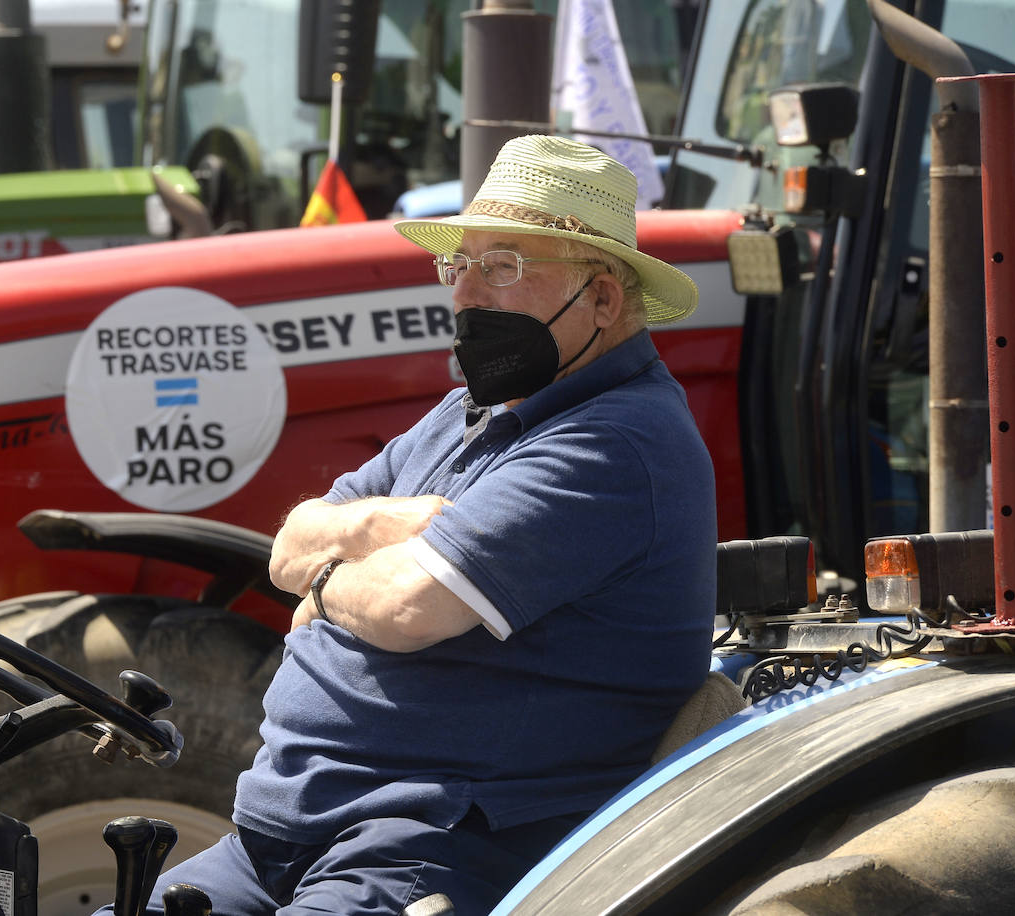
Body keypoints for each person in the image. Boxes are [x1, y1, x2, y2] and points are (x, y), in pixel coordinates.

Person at [99, 134, 717, 915]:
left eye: (504, 267)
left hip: (430, 845)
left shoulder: (618, 442)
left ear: (603, 298)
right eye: (458, 266)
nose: (464, 296)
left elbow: (406, 608)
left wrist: (323, 589)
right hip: (278, 840)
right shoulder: (470, 416)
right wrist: (382, 525)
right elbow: (290, 541)